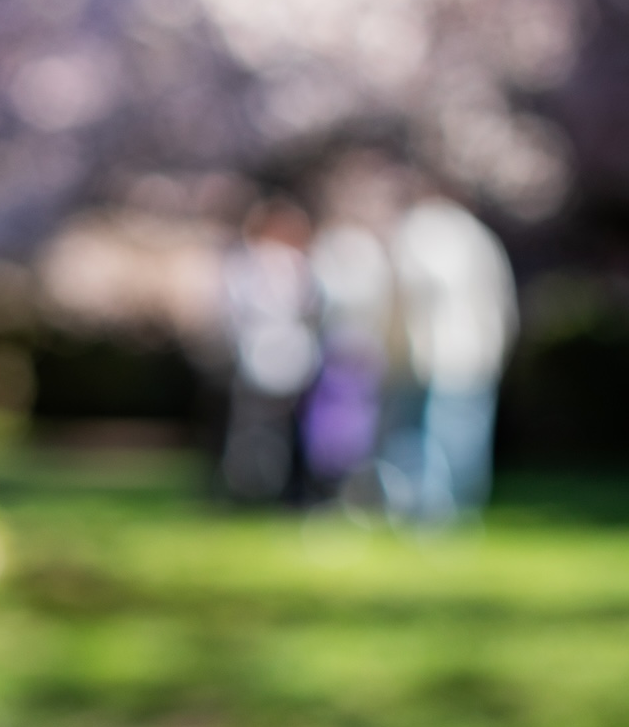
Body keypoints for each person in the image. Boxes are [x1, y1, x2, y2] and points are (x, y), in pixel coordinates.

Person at [383, 196, 515, 524]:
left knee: (447, 437)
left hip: (453, 358)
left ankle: (439, 510)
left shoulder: (425, 235)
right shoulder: (475, 239)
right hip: (449, 358)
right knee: (435, 437)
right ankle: (433, 509)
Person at [219, 199, 320, 503]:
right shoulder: (259, 264)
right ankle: (258, 485)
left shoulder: (258, 264)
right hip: (269, 353)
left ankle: (257, 486)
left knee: (264, 425)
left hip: (273, 354)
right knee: (262, 425)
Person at [304, 219, 394, 501]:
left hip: (363, 354)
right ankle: (326, 485)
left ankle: (355, 486)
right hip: (335, 353)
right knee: (327, 427)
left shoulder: (371, 260)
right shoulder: (327, 259)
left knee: (362, 426)